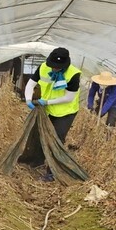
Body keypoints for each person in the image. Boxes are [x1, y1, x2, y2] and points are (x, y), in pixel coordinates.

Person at [23, 48, 81, 180]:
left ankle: (52, 171)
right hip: (47, 109)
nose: (54, 69)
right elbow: (30, 85)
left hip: (65, 112)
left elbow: (69, 97)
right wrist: (27, 99)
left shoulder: (73, 74)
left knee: (56, 138)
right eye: (52, 66)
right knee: (39, 133)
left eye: (58, 67)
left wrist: (47, 102)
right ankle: (37, 160)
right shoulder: (43, 67)